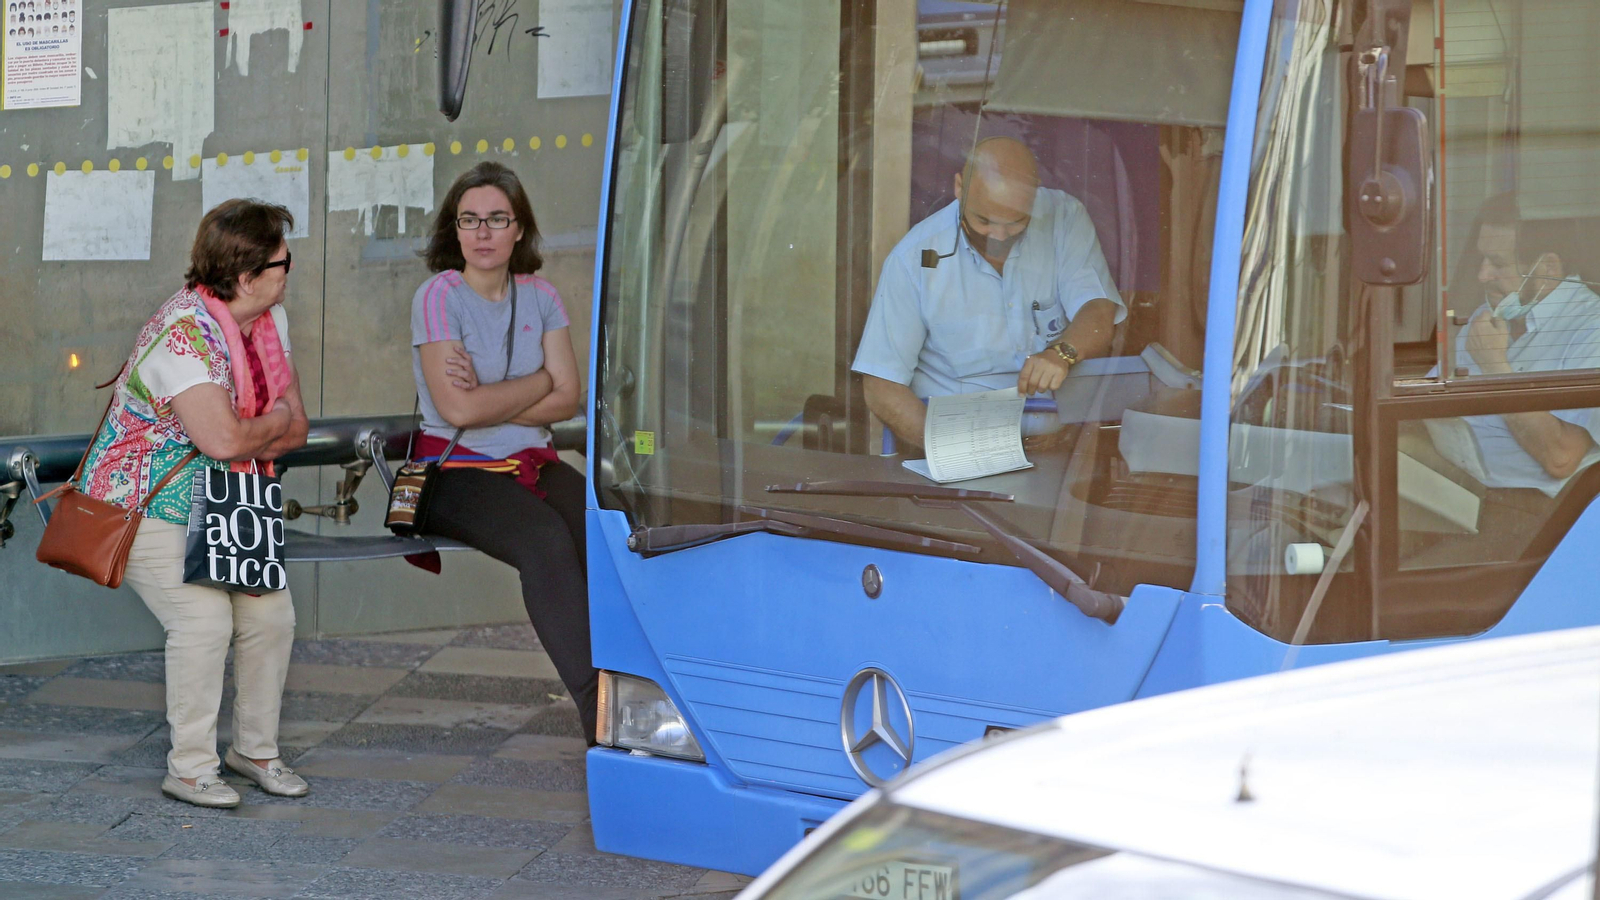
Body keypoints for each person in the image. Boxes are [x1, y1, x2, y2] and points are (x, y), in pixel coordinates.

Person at [77, 199, 311, 808]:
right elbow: (225, 438)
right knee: (203, 620)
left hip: (230, 498)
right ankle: (189, 767)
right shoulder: (184, 334)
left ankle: (254, 751)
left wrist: (258, 426)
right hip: (148, 504)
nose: (290, 271)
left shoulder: (269, 323)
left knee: (270, 615)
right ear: (246, 276)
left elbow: (298, 428)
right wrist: (265, 423)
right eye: (284, 261)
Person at [409, 161, 598, 740]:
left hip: (531, 464)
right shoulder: (438, 296)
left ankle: (642, 683)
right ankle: (600, 710)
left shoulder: (540, 296)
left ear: (520, 229)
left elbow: (570, 398)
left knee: (604, 528)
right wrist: (539, 380)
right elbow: (458, 415)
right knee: (542, 538)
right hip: (451, 471)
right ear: (454, 229)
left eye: (496, 219)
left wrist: (493, 396)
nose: (482, 232)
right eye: (469, 220)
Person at [851, 136, 1126, 450]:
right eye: (983, 220)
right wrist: (947, 450)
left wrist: (1061, 353)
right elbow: (881, 384)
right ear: (959, 188)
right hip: (959, 442)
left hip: (1055, 444)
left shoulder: (1063, 218)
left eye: (1014, 222)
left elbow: (1098, 309)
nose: (997, 236)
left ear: (1034, 196)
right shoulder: (914, 258)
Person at [1434, 194, 1600, 493]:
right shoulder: (1492, 314)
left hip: (1534, 516)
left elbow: (1561, 458)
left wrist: (1496, 369)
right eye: (1482, 259)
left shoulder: (1591, 330)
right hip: (1456, 481)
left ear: (1548, 267)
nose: (1483, 275)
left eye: (1497, 263)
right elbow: (1431, 401)